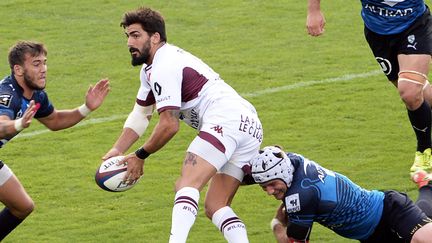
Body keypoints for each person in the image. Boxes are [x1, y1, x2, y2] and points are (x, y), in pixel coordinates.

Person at [102, 6, 263, 243]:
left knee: (186, 184)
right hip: (249, 124)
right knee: (215, 206)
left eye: (136, 35)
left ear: (155, 37)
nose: (129, 43)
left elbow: (169, 125)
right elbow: (141, 115)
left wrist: (140, 155)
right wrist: (117, 149)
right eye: (127, 36)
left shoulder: (163, 65)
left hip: (225, 119)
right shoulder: (152, 68)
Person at [306, 0, 432, 186]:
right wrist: (313, 10)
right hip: (377, 33)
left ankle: (424, 152)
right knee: (416, 90)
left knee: (409, 92)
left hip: (415, 25)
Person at [0, 41, 110, 240]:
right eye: (36, 64)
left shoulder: (36, 95)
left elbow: (55, 120)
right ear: (18, 69)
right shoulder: (7, 94)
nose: (43, 69)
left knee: (22, 206)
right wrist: (18, 124)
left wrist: (86, 108)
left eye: (44, 62)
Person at [249, 145, 432, 242]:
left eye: (272, 184)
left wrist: (276, 225)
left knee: (422, 239)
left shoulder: (302, 196)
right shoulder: (291, 160)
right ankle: (425, 185)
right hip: (371, 235)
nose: (269, 191)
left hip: (388, 209)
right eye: (264, 187)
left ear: (283, 174)